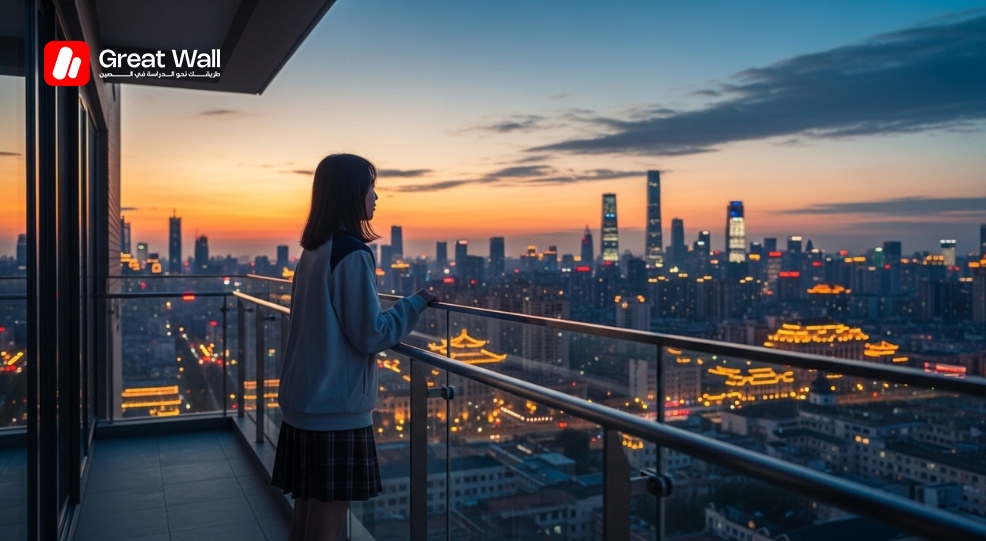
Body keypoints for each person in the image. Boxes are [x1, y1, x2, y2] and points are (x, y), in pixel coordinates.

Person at [271, 153, 438, 541]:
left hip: (304, 404)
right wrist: (415, 304)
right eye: (370, 187)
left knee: (306, 519)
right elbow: (370, 334)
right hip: (335, 410)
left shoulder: (314, 250)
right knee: (327, 529)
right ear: (351, 193)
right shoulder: (353, 253)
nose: (376, 197)